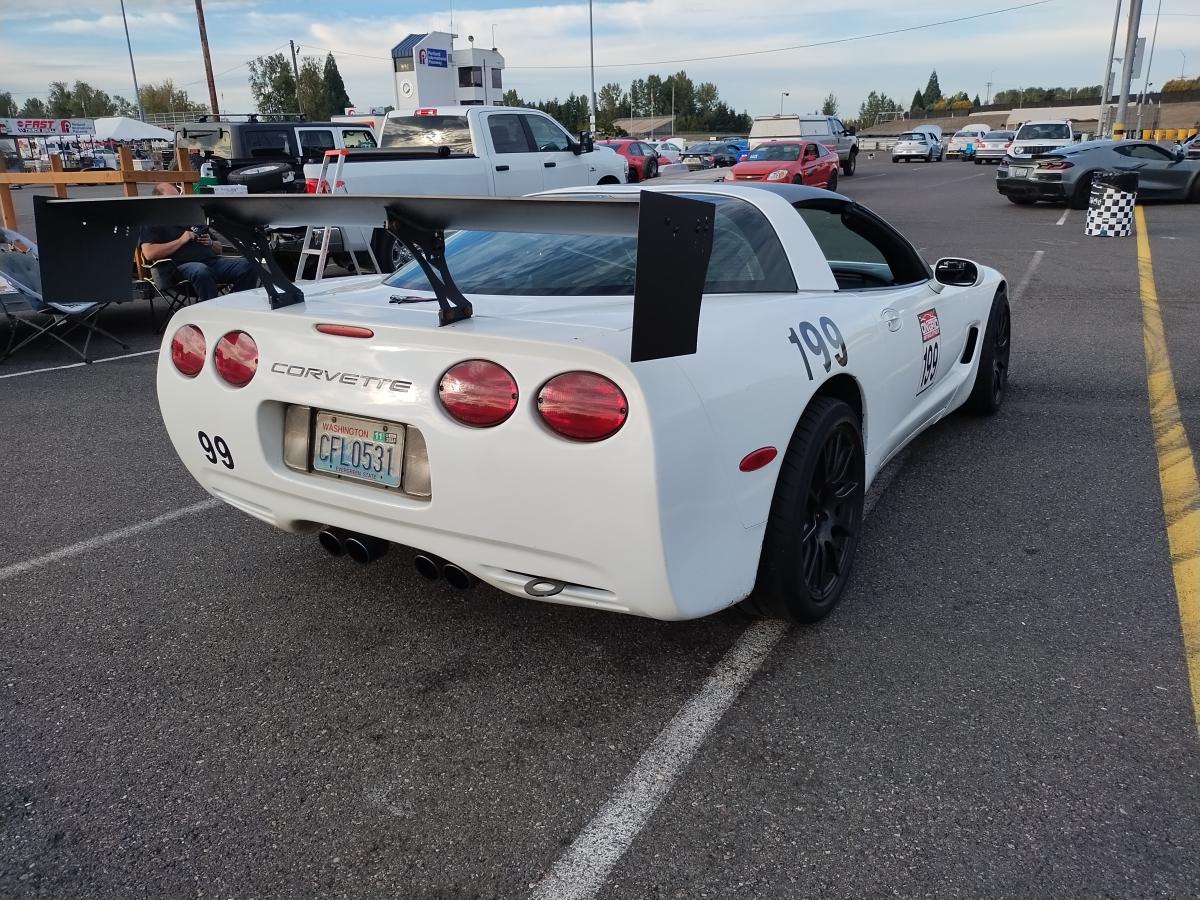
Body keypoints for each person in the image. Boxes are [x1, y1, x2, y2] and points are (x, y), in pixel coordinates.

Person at [138, 182, 258, 301]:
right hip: (178, 269)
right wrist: (181, 240)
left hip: (211, 263)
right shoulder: (153, 221)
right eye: (171, 198)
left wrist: (210, 243)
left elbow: (219, 249)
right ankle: (213, 312)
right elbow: (149, 253)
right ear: (158, 201)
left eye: (177, 197)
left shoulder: (191, 217)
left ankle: (236, 306)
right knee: (200, 270)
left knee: (249, 264)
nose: (176, 202)